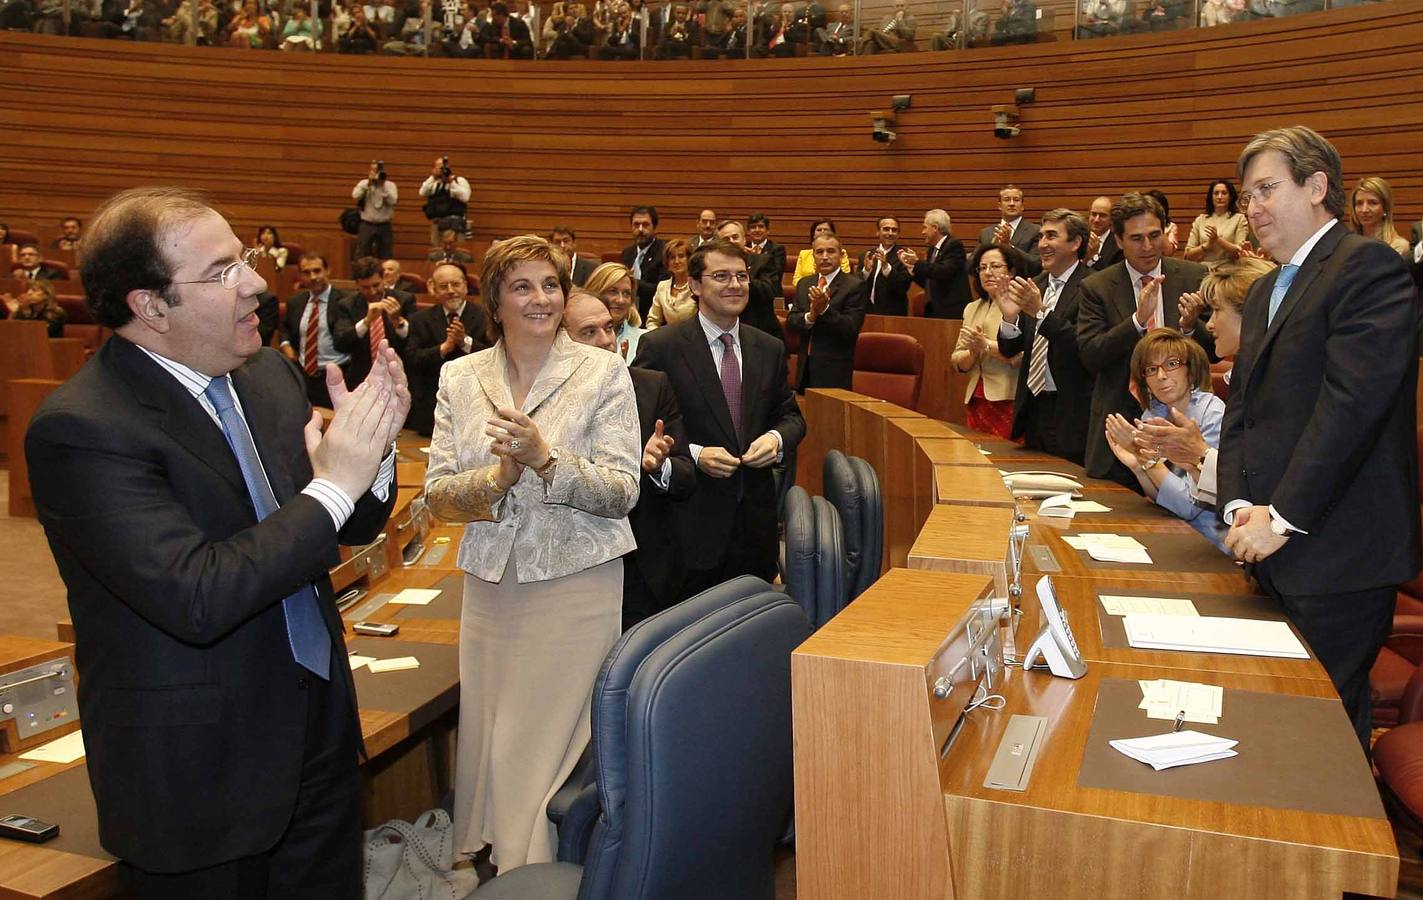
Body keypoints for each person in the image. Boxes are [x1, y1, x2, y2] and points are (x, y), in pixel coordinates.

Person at [25, 186, 407, 895]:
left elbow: (335, 528)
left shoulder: (264, 373)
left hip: (317, 735)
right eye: (223, 270)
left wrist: (372, 450)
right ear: (150, 306)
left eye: (247, 259)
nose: (258, 282)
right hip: (200, 776)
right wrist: (334, 482)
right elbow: (197, 593)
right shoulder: (83, 429)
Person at [423, 235, 639, 871]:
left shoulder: (604, 372)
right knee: (492, 732)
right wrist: (497, 480)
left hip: (576, 584)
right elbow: (438, 495)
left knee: (537, 744)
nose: (540, 299)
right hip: (492, 588)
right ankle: (492, 859)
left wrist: (545, 460)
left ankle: (531, 870)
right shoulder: (459, 378)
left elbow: (623, 491)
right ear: (495, 299)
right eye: (522, 286)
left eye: (550, 285)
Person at [1218, 125, 1420, 745]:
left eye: (1265, 190)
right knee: (1275, 731)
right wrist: (1237, 502)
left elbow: (1350, 409)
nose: (1251, 209)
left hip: (1338, 556)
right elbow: (1243, 410)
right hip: (1271, 545)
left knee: (1318, 743)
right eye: (1247, 195)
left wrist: (1279, 519)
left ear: (1316, 186)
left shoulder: (1367, 268)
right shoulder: (1264, 291)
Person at [632, 238, 805, 596]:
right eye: (722, 276)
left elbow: (790, 417)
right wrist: (694, 453)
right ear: (695, 285)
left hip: (754, 529)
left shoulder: (769, 348)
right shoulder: (661, 346)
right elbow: (640, 425)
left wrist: (775, 440)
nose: (735, 285)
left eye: (741, 276)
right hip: (688, 526)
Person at [562, 291, 696, 628]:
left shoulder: (652, 386)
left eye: (610, 328)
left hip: (644, 570)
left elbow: (685, 475)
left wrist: (658, 466)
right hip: (573, 571)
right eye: (589, 332)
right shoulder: (547, 400)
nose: (606, 340)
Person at [1076, 191, 1209, 487]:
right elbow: (1090, 355)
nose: (1149, 247)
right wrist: (1136, 321)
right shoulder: (1096, 286)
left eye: (1155, 235)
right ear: (1119, 239)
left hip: (1183, 435)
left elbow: (1215, 351)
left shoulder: (1193, 277)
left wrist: (1190, 327)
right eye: (1137, 238)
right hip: (1121, 435)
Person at [1132, 256, 1274, 505]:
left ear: (1253, 312)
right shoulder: (1245, 378)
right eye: (1152, 370)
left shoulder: (1273, 386)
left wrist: (1199, 453)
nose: (1208, 325)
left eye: (1217, 310)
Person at [1104, 330, 1227, 550]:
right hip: (1173, 530)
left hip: (1212, 543)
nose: (1161, 376)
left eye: (1171, 364)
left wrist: (1146, 460)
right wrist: (1139, 467)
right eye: (1151, 369)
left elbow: (1189, 507)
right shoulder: (1153, 415)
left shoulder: (1213, 414)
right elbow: (1163, 496)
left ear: (1190, 369)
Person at [996, 208, 1094, 464]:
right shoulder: (1035, 284)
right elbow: (1009, 349)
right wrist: (1008, 320)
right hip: (1033, 408)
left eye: (1051, 236)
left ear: (1075, 243)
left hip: (1072, 413)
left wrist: (1040, 313)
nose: (1042, 245)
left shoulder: (1094, 287)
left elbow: (1086, 347)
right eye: (1040, 237)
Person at [401, 262, 490, 436]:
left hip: (475, 406)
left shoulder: (485, 317)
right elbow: (412, 359)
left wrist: (465, 342)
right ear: (434, 289)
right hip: (431, 409)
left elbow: (494, 356)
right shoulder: (419, 320)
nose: (450, 290)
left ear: (465, 286)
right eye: (443, 286)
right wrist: (443, 348)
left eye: (456, 284)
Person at [953, 243, 1022, 439]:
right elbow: (957, 361)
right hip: (976, 397)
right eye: (982, 268)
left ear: (1012, 270)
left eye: (995, 266)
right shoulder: (973, 308)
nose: (988, 273)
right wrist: (973, 351)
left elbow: (1020, 357)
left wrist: (985, 345)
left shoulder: (1021, 305)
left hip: (1008, 397)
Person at [786, 232, 866, 392]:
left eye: (831, 251)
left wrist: (825, 310)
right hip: (805, 366)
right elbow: (791, 322)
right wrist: (810, 316)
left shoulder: (854, 286)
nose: (825, 257)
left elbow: (851, 328)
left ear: (841, 255)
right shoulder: (804, 284)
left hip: (835, 370)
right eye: (819, 252)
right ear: (813, 256)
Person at [280, 252, 360, 407]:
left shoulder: (346, 301)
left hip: (339, 375)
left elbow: (351, 337)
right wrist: (285, 345)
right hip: (304, 377)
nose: (312, 277)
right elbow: (285, 329)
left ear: (327, 271)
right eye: (306, 272)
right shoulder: (295, 302)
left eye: (317, 271)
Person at [717, 219, 787, 342]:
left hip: (760, 332)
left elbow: (770, 291)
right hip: (724, 332)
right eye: (726, 239)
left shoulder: (763, 261)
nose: (731, 242)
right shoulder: (714, 268)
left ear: (744, 240)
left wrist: (742, 276)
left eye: (735, 237)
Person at [898, 208, 972, 318]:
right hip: (933, 310)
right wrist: (911, 267)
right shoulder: (932, 250)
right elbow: (928, 282)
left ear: (935, 228)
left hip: (951, 312)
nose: (922, 232)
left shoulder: (954, 245)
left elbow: (943, 271)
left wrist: (917, 262)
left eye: (925, 227)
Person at [584, 261, 645, 362]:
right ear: (595, 292)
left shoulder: (644, 341)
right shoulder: (574, 338)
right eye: (613, 291)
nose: (621, 300)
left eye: (626, 293)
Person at [1184, 179, 1250, 269]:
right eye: (1216, 193)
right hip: (1202, 270)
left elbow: (1240, 252)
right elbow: (1188, 255)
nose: (1219, 197)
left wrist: (1218, 240)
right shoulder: (1201, 220)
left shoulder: (1239, 219)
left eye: (1224, 193)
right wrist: (1206, 245)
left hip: (1228, 271)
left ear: (1230, 197)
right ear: (1211, 197)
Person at [979, 185, 1042, 275]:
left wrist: (1009, 247)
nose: (1012, 204)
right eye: (1007, 199)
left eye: (1016, 200)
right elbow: (972, 264)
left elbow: (1037, 265)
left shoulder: (1035, 231)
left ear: (1022, 206)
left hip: (1021, 284)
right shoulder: (986, 233)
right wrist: (991, 247)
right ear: (999, 206)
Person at [859, 215, 912, 316]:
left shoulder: (904, 255)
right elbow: (857, 284)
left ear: (898, 234)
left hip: (893, 314)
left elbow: (903, 286)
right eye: (886, 229)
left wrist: (886, 267)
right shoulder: (867, 255)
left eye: (894, 230)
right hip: (867, 312)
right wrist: (866, 271)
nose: (890, 233)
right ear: (878, 232)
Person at [621, 205, 666, 318]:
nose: (640, 230)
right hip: (628, 315)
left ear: (655, 228)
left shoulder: (664, 251)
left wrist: (632, 282)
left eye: (645, 225)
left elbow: (662, 290)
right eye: (636, 225)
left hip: (654, 315)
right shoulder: (627, 253)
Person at [1350, 175, 1411, 257]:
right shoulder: (1346, 244)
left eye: (1373, 203)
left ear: (1385, 208)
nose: (1364, 210)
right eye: (1359, 203)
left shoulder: (1397, 246)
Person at [352, 160, 398, 260]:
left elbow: (393, 201)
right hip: (367, 224)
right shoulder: (363, 183)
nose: (375, 173)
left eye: (378, 170)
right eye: (373, 170)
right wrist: (368, 184)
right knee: (362, 254)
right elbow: (355, 196)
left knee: (386, 254)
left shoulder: (390, 185)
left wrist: (382, 187)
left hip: (384, 225)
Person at [646, 238, 696, 328]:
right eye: (672, 257)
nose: (676, 261)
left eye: (681, 256)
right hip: (668, 339)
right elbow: (653, 320)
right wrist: (654, 338)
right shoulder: (662, 286)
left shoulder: (697, 286)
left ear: (689, 260)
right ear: (667, 262)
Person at [420, 156, 472, 241]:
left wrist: (451, 183)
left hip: (454, 224)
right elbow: (422, 192)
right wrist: (433, 177)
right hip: (437, 224)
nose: (442, 170)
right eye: (439, 168)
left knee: (454, 249)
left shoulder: (459, 181)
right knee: (436, 251)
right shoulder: (435, 183)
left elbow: (465, 197)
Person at [1, 277, 67, 337]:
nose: (29, 293)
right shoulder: (25, 310)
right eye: (29, 290)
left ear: (46, 295)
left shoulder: (56, 314)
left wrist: (25, 310)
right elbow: (9, 332)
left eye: (34, 290)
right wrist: (13, 313)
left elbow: (36, 335)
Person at [792, 219, 852, 284]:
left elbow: (845, 273)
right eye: (819, 230)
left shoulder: (853, 285)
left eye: (826, 229)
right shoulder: (804, 254)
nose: (824, 257)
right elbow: (796, 279)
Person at [1086, 195, 1123, 270]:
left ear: (1111, 220)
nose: (1096, 220)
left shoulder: (1118, 246)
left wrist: (1094, 256)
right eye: (1093, 214)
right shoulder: (1078, 240)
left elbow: (1111, 275)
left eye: (1102, 216)